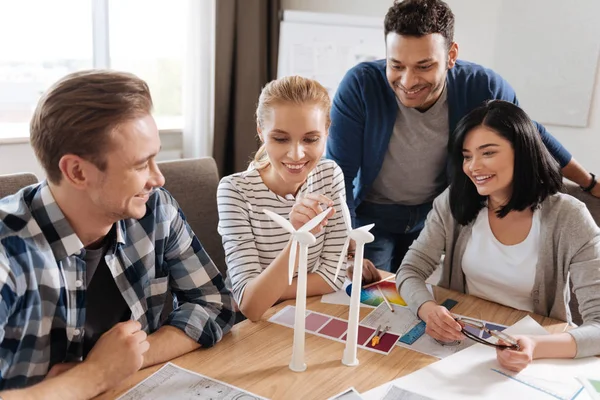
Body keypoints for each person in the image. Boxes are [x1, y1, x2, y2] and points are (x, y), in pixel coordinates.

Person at [0, 71, 235, 398]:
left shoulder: (154, 210)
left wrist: (132, 358)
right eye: (142, 165)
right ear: (77, 171)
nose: (159, 178)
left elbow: (215, 304)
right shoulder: (7, 252)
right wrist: (94, 375)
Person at [326, 0, 600, 273]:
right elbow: (340, 174)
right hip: (372, 216)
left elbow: (531, 136)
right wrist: (347, 239)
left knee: (414, 292)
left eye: (424, 66)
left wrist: (589, 183)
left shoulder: (483, 87)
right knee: (370, 294)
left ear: (451, 56)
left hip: (436, 212)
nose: (408, 82)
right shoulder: (360, 86)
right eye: (396, 65)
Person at [396, 100, 600, 372]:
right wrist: (427, 308)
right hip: (465, 343)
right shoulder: (452, 203)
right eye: (467, 156)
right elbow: (410, 269)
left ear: (522, 152)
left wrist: (535, 346)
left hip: (534, 350)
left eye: (488, 153)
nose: (473, 167)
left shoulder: (569, 217)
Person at [217, 76, 381, 322]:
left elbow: (332, 277)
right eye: (281, 138)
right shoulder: (235, 191)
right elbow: (250, 306)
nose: (296, 154)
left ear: (326, 132)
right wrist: (298, 237)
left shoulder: (329, 175)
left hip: (308, 310)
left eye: (310, 139)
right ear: (261, 132)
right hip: (254, 327)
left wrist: (266, 292)